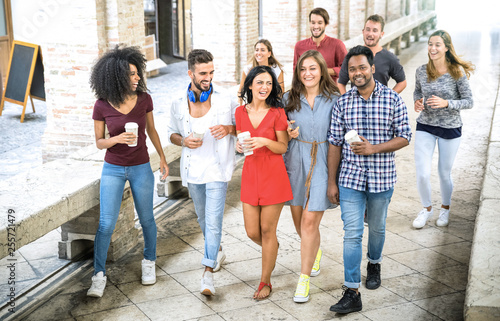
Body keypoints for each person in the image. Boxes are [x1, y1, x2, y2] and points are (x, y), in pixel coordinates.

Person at [327, 46, 412, 314]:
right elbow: (334, 144)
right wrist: (332, 182)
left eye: (362, 67)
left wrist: (374, 148)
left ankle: (374, 262)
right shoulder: (343, 103)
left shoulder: (392, 99)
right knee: (352, 233)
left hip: (381, 178)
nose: (357, 73)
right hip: (350, 179)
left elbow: (405, 136)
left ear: (372, 68)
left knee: (377, 228)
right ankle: (351, 291)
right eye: (352, 69)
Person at [88, 45, 169, 298]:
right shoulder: (101, 105)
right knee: (105, 224)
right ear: (116, 76)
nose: (137, 78)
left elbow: (152, 131)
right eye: (132, 74)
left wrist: (163, 159)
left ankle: (149, 263)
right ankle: (98, 275)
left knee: (147, 219)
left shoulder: (144, 99)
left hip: (141, 166)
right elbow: (100, 142)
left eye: (137, 73)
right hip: (112, 168)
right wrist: (117, 139)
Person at [167, 49, 237, 296]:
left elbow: (241, 125)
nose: (208, 77)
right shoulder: (178, 102)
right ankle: (216, 252)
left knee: (214, 221)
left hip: (217, 168)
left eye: (211, 72)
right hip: (193, 170)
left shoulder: (226, 98)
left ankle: (207, 274)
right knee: (203, 218)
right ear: (190, 73)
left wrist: (228, 128)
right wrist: (183, 141)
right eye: (203, 73)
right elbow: (171, 134)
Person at [283, 50, 340, 303]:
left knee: (308, 223)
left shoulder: (335, 98)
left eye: (313, 68)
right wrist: (285, 132)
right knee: (299, 222)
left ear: (322, 70)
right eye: (303, 69)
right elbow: (274, 129)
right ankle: (314, 252)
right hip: (295, 161)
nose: (307, 73)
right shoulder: (287, 99)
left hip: (324, 162)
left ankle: (303, 280)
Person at [235, 65, 292, 300]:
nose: (265, 87)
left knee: (268, 230)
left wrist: (264, 141)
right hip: (250, 174)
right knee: (251, 232)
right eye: (259, 82)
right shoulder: (240, 112)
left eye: (269, 83)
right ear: (250, 85)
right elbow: (242, 143)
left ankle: (265, 281)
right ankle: (273, 248)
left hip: (273, 175)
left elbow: (283, 147)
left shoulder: (278, 112)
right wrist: (239, 147)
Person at [412, 30, 474, 229]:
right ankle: (426, 209)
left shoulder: (457, 72)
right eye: (430, 44)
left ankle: (445, 208)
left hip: (450, 127)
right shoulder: (421, 71)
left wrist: (447, 103)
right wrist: (417, 102)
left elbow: (469, 101)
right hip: (426, 125)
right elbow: (417, 91)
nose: (432, 48)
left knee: (443, 172)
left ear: (446, 48)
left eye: (437, 44)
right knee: (422, 172)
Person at [338, 14, 407, 94]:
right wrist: (347, 102)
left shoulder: (390, 58)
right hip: (357, 104)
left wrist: (388, 98)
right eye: (368, 29)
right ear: (363, 32)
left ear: (381, 34)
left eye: (375, 30)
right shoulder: (352, 56)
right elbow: (341, 83)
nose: (370, 34)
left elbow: (402, 82)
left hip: (379, 105)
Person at [293, 7, 347, 83]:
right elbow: (296, 73)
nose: (316, 26)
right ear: (309, 23)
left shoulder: (337, 44)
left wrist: (324, 71)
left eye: (320, 23)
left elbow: (347, 69)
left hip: (329, 92)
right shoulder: (299, 46)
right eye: (313, 22)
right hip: (305, 91)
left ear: (326, 24)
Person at [238, 39, 284, 104]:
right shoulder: (247, 69)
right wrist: (239, 107)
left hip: (271, 105)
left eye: (262, 50)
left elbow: (280, 94)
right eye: (257, 50)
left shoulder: (277, 70)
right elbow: (240, 91)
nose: (259, 53)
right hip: (252, 106)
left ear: (269, 53)